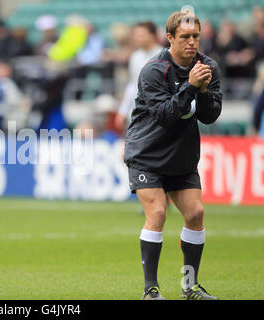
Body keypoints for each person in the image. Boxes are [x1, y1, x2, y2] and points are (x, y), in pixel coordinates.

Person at [124, 10, 222, 300]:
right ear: (170, 38)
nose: (192, 43)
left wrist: (202, 90)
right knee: (157, 212)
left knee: (196, 213)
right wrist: (191, 86)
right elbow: (164, 115)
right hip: (147, 153)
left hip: (181, 156)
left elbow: (210, 115)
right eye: (185, 37)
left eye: (196, 37)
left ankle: (189, 286)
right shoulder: (153, 70)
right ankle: (150, 290)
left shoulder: (208, 67)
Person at [114, 21, 163, 134]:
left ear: (152, 36)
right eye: (135, 35)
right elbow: (133, 85)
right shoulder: (135, 57)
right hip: (138, 114)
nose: (137, 39)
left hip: (157, 115)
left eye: (141, 35)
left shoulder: (163, 56)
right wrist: (123, 110)